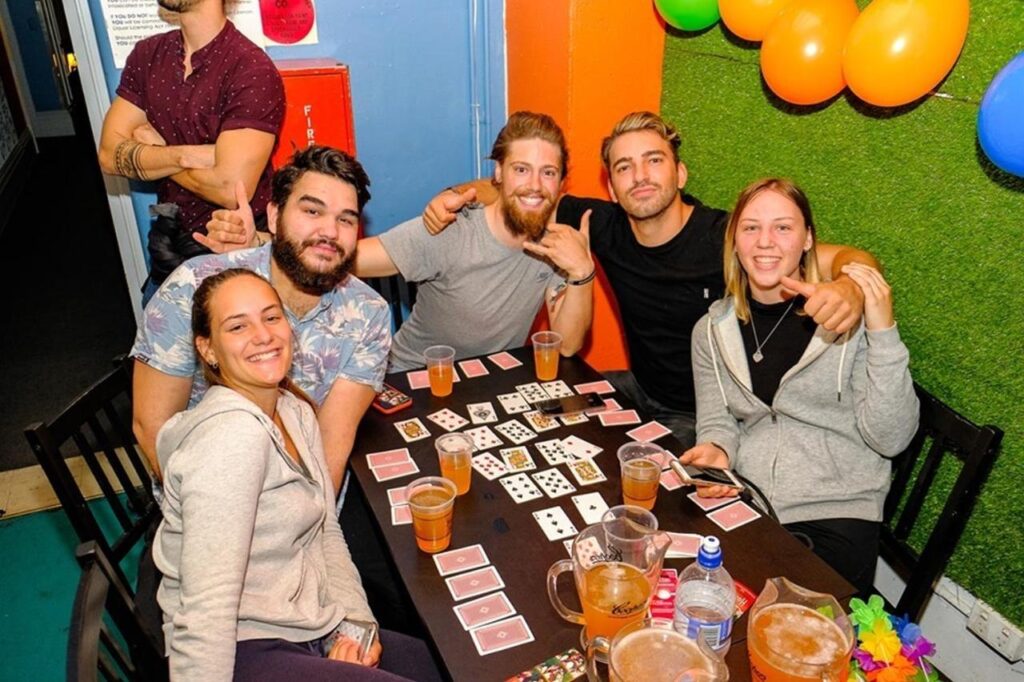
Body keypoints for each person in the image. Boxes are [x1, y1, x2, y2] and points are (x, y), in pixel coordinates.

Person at [423, 111, 877, 447]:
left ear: (679, 173)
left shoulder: (725, 237)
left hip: (708, 417)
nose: (639, 176)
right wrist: (456, 195)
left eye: (653, 161)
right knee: (535, 417)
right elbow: (526, 195)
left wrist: (852, 286)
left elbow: (847, 257)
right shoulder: (604, 224)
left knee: (635, 484)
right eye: (624, 167)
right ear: (611, 188)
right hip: (639, 388)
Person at [153, 268, 440, 681]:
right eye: (238, 326)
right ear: (208, 349)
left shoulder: (295, 410)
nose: (263, 335)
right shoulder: (231, 439)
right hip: (240, 646)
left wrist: (357, 626)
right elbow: (207, 608)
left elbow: (326, 529)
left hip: (306, 620)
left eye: (271, 317)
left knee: (448, 667)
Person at [211, 111, 595, 372]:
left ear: (561, 182)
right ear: (498, 173)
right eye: (521, 169)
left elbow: (566, 346)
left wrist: (582, 272)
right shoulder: (452, 229)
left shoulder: (558, 246)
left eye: (548, 172)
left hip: (489, 386)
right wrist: (263, 240)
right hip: (413, 380)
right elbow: (341, 255)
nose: (534, 185)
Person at [680, 178, 919, 596]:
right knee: (689, 595)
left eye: (783, 227)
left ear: (808, 239)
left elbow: (891, 438)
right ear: (734, 240)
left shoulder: (845, 317)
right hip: (751, 504)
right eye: (751, 227)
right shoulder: (711, 330)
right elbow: (718, 419)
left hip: (837, 513)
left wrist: (881, 328)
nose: (765, 242)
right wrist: (718, 451)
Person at [131, 146, 391, 494]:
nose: (330, 230)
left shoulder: (369, 313)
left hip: (305, 496)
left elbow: (332, 444)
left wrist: (307, 527)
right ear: (273, 216)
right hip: (204, 496)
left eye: (345, 219)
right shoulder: (192, 287)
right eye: (312, 210)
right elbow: (153, 430)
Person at [98, 0, 285, 294]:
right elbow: (109, 156)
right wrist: (188, 153)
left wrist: (159, 150)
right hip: (167, 248)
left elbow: (229, 187)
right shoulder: (147, 55)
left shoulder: (251, 69)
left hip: (233, 254)